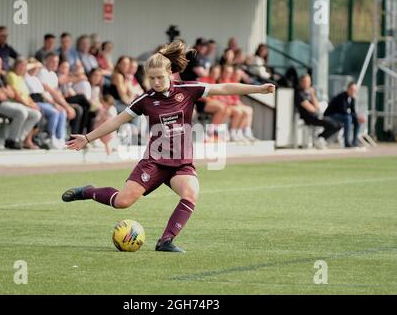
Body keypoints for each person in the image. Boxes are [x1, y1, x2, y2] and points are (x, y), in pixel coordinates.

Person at [61, 40, 275, 253]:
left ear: (170, 73)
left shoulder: (189, 89)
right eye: (151, 78)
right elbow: (116, 121)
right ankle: (88, 191)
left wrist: (259, 89)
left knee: (191, 193)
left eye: (159, 77)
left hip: (181, 164)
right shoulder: (145, 100)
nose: (155, 82)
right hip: (153, 162)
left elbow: (224, 88)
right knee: (122, 202)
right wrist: (87, 139)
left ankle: (166, 241)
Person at [0, 54, 41, 150]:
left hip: (7, 103)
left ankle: (19, 139)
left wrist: (2, 90)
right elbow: (0, 97)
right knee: (21, 112)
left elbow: (12, 94)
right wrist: (4, 91)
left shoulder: (1, 76)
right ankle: (11, 140)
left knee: (36, 114)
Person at [25, 58, 67, 149]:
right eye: (34, 67)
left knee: (61, 111)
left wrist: (55, 104)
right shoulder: (26, 76)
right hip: (33, 101)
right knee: (54, 113)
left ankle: (60, 137)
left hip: (42, 101)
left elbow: (43, 95)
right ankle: (50, 137)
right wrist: (35, 64)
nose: (36, 69)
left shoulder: (36, 79)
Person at [295, 74, 342, 149]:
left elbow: (317, 106)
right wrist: (316, 109)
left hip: (317, 116)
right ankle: (319, 138)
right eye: (305, 81)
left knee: (339, 125)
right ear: (301, 82)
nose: (307, 83)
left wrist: (312, 94)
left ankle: (320, 138)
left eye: (309, 81)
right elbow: (310, 108)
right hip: (309, 117)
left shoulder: (309, 93)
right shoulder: (299, 94)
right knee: (332, 125)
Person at [6, 57, 43, 149]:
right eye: (20, 65)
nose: (23, 68)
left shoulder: (20, 78)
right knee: (24, 112)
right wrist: (29, 105)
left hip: (24, 104)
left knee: (37, 114)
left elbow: (26, 95)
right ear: (15, 66)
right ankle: (14, 140)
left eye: (24, 66)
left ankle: (19, 139)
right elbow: (17, 95)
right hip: (15, 103)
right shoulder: (11, 75)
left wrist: (33, 105)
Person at [324, 82, 366, 147]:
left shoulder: (352, 98)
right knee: (348, 118)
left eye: (355, 90)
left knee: (357, 120)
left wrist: (358, 117)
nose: (354, 91)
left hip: (341, 116)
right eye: (352, 89)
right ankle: (347, 142)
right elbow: (343, 111)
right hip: (331, 115)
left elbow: (353, 111)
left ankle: (354, 142)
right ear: (348, 89)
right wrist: (356, 116)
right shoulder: (341, 96)